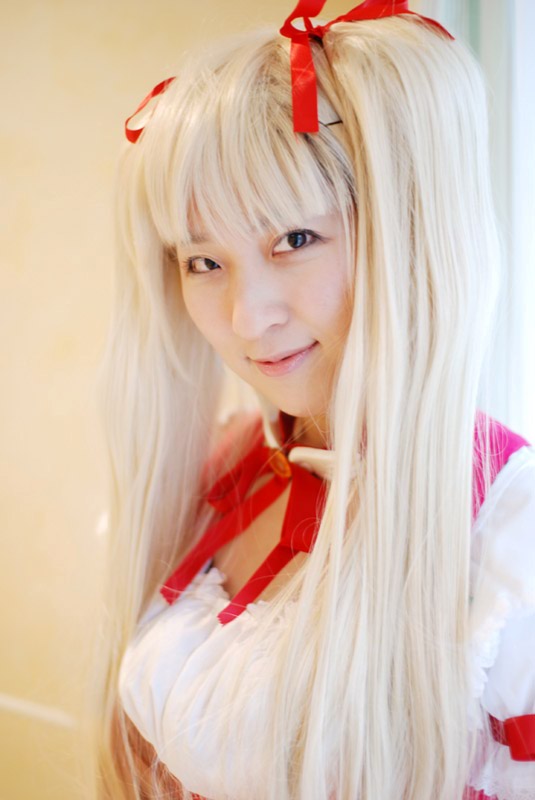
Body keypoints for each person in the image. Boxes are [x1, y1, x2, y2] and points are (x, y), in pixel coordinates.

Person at [91, 1, 535, 798]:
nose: (245, 318)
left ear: (405, 233)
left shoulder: (511, 535)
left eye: (293, 239)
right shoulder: (220, 465)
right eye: (203, 261)